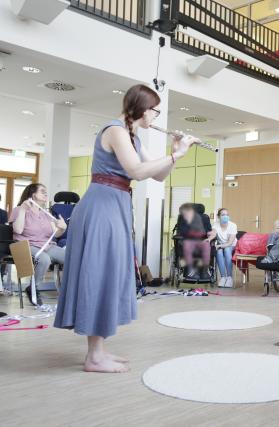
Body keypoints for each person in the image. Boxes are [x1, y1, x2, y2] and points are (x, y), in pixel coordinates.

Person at [54, 84, 196, 373]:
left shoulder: (133, 137)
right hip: (101, 205)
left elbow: (156, 177)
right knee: (100, 271)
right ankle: (94, 356)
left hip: (115, 204)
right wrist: (176, 156)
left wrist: (172, 154)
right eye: (155, 110)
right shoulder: (116, 130)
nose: (156, 116)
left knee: (111, 273)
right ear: (142, 108)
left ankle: (99, 350)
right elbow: (135, 171)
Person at [9, 183, 67, 305]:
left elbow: (55, 234)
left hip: (46, 244)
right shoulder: (18, 210)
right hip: (26, 244)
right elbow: (18, 230)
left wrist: (62, 228)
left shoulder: (46, 213)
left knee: (71, 258)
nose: (46, 193)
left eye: (46, 191)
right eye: (42, 191)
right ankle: (33, 288)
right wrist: (24, 209)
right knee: (44, 259)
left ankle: (70, 290)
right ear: (33, 195)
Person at [177, 203, 215, 281]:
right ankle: (193, 270)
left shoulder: (204, 218)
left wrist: (212, 235)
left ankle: (203, 271)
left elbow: (209, 231)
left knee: (206, 245)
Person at [213, 207, 237, 288]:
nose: (225, 216)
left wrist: (219, 245)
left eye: (227, 215)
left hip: (232, 245)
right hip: (221, 245)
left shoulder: (233, 225)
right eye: (223, 215)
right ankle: (223, 277)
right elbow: (213, 235)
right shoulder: (215, 225)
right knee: (219, 252)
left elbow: (230, 243)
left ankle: (229, 277)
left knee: (226, 250)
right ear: (219, 216)